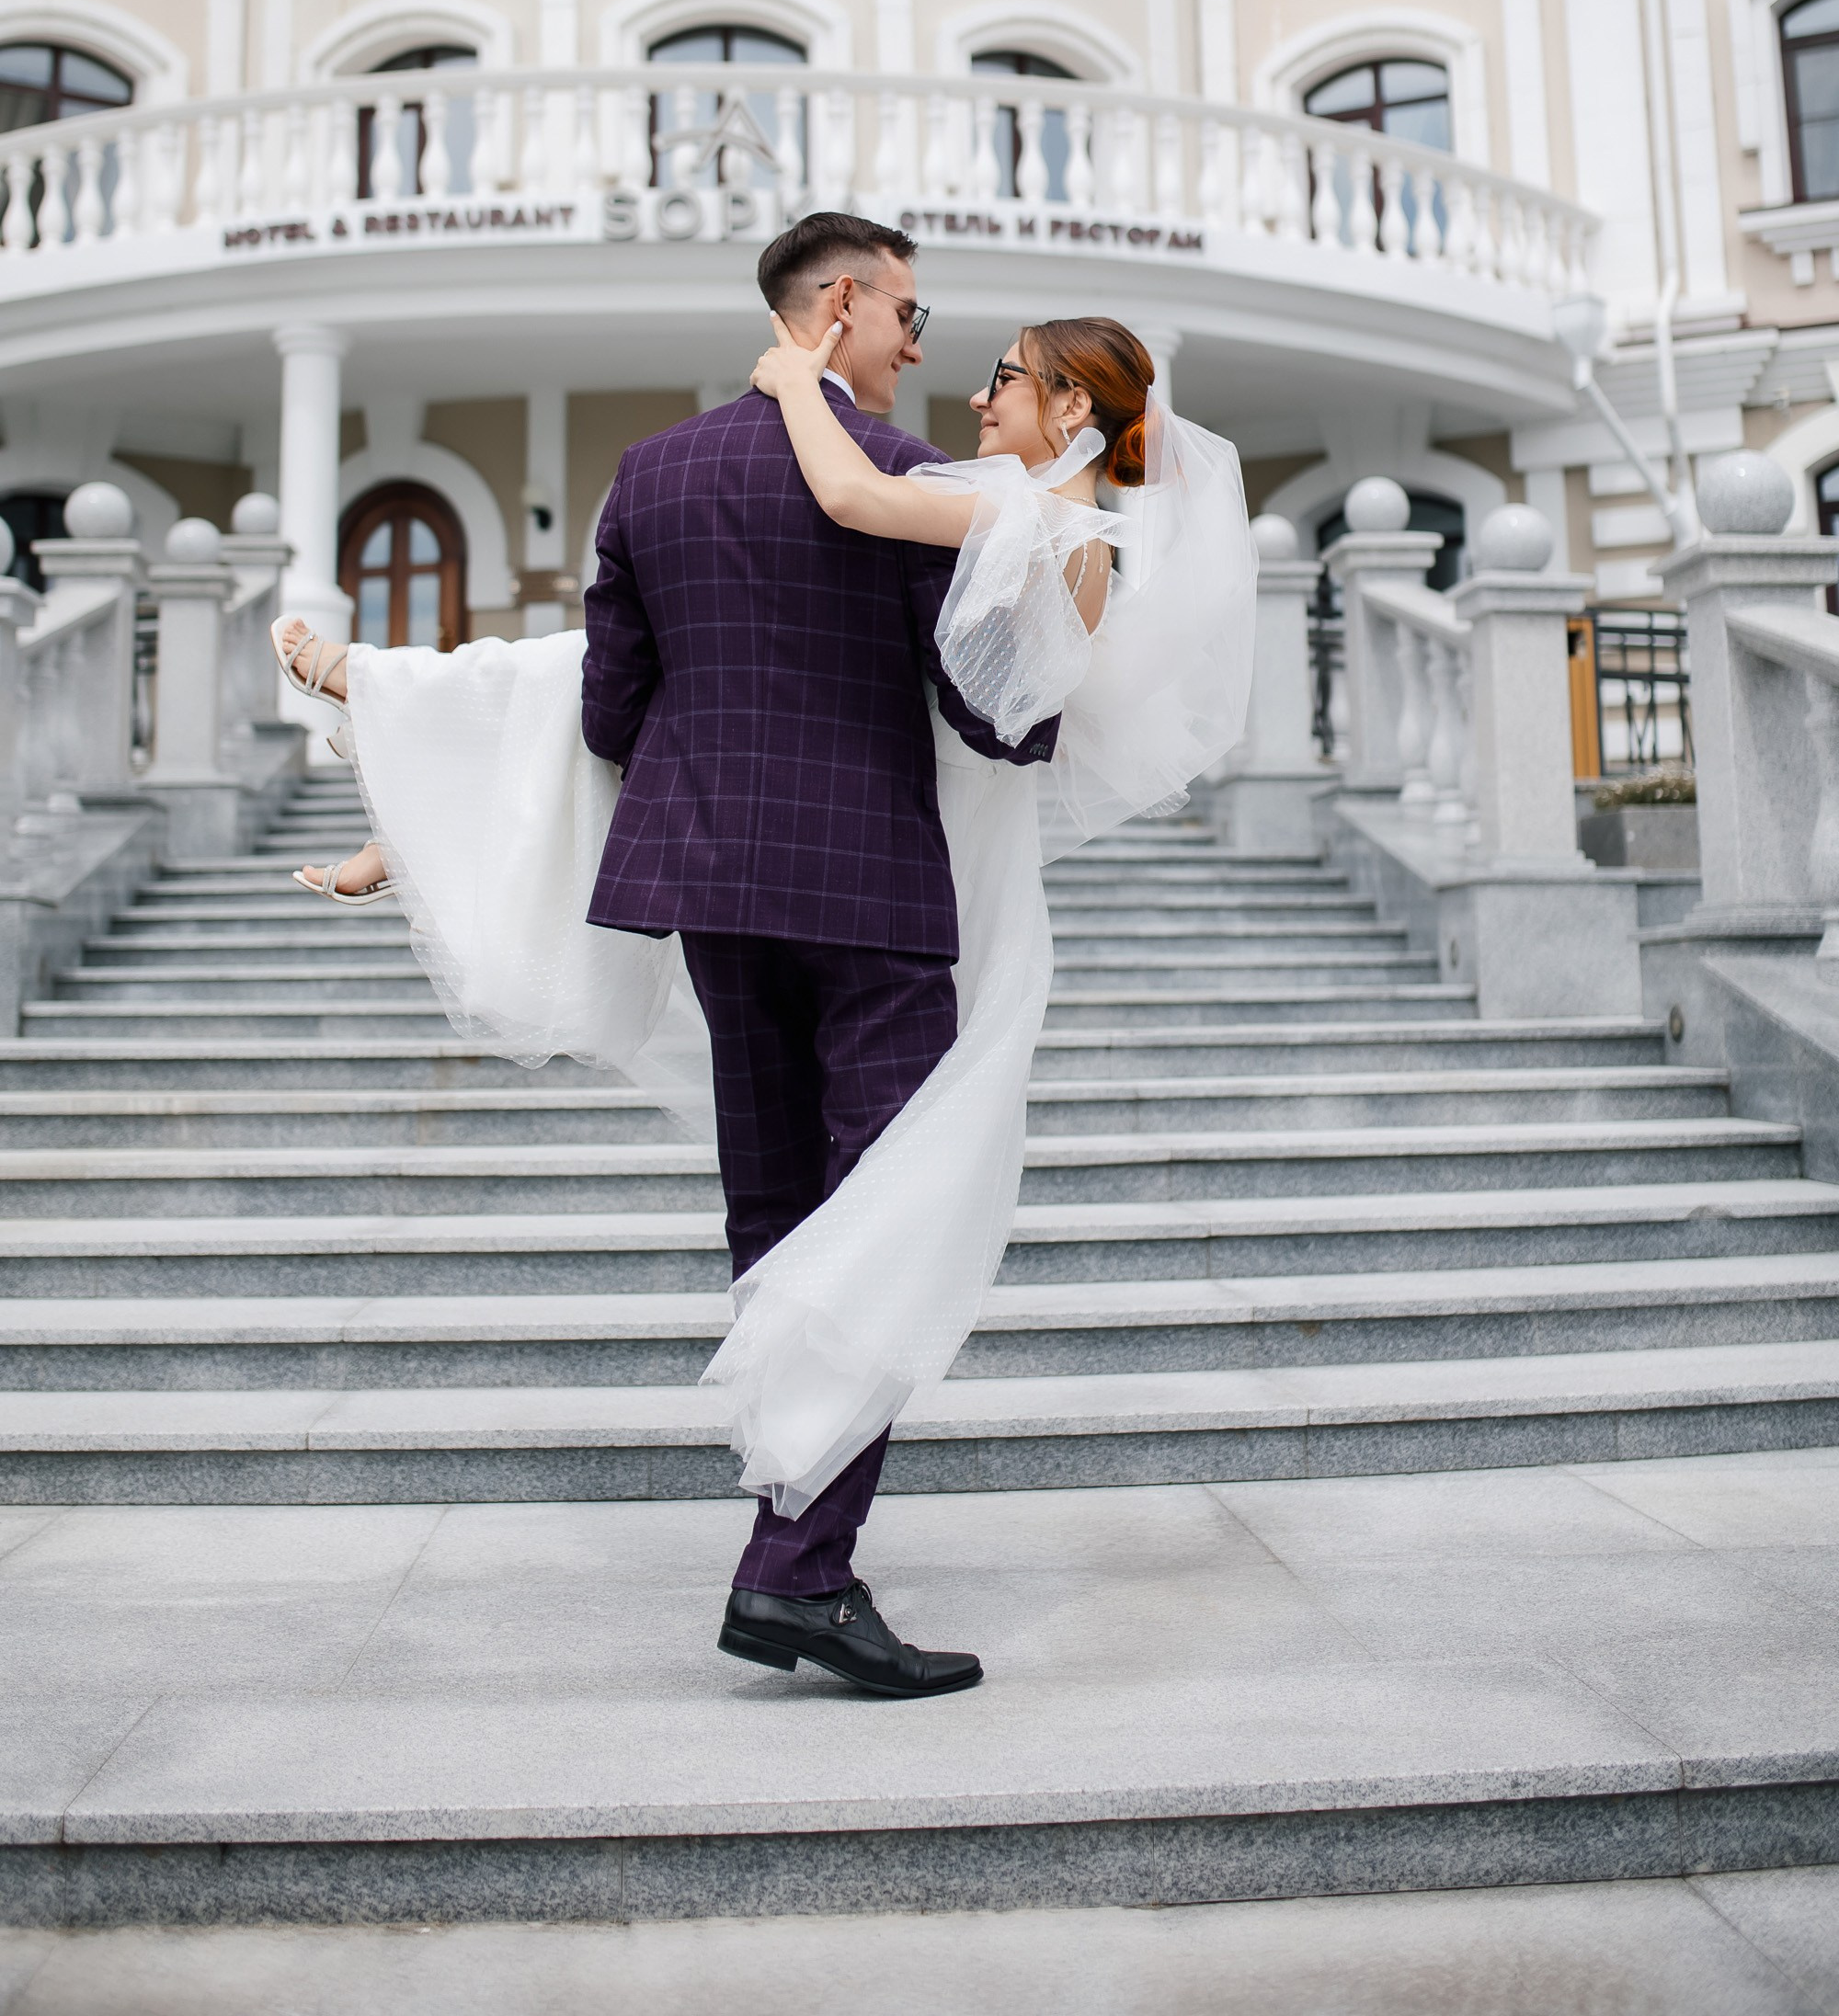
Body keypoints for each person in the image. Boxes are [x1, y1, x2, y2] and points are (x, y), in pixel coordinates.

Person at [271, 220, 1256, 1698]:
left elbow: (606, 717)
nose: (930, 351)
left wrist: (419, 813)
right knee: (896, 1222)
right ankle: (797, 1572)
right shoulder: (927, 485)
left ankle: (796, 1549)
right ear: (842, 306)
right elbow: (991, 720)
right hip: (868, 895)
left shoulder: (651, 475)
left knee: (785, 1216)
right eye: (914, 316)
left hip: (716, 893)